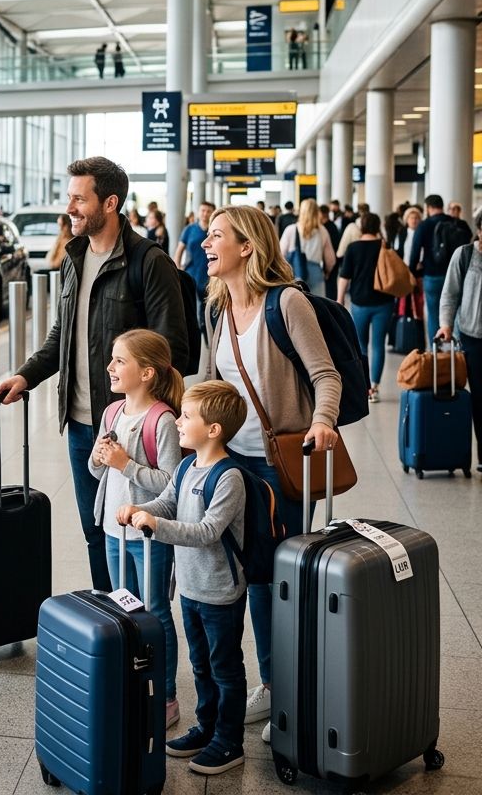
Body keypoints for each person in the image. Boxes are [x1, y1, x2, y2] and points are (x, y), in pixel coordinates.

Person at [0, 156, 190, 591]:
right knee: (97, 530)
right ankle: (111, 623)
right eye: (70, 198)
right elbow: (62, 335)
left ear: (110, 203)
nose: (71, 207)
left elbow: (170, 348)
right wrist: (26, 375)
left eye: (80, 199)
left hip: (135, 426)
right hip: (86, 425)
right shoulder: (74, 257)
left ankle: (143, 628)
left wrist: (140, 412)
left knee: (141, 531)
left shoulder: (149, 261)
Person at [200, 204, 341, 740]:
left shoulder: (287, 304)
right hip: (231, 466)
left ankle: (295, 690)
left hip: (283, 464)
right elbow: (213, 386)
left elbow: (325, 377)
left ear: (248, 248)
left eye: (217, 236)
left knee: (285, 580)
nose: (207, 244)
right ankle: (271, 683)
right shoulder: (219, 309)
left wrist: (322, 423)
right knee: (248, 578)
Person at [124, 380, 251, 776]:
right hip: (193, 589)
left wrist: (156, 525)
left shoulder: (229, 477)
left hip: (220, 592)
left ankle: (229, 741)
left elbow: (206, 532)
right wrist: (139, 508)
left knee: (225, 668)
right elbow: (168, 502)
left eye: (187, 417)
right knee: (200, 664)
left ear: (213, 429)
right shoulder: (186, 465)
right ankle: (207, 727)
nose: (178, 421)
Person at [89, 330, 183, 728]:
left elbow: (172, 483)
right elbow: (98, 472)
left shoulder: (161, 419)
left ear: (146, 373)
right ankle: (133, 681)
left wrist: (124, 463)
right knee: (123, 607)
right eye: (112, 359)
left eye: (120, 361)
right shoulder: (112, 413)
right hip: (115, 531)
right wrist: (100, 458)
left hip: (149, 532)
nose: (110, 367)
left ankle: (165, 696)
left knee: (156, 611)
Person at [438, 208, 482, 473]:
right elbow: (450, 294)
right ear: (479, 230)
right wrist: (446, 324)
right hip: (473, 336)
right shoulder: (464, 255)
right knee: (479, 397)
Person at [337, 212, 393, 404]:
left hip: (360, 303)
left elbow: (345, 276)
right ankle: (375, 387)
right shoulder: (385, 246)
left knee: (361, 345)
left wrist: (339, 299)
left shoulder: (353, 248)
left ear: (361, 227)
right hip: (384, 302)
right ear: (378, 227)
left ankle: (364, 386)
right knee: (378, 344)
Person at [409, 194, 466, 340]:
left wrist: (413, 273)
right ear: (442, 206)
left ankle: (437, 352)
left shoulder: (424, 225)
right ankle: (457, 351)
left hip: (432, 275)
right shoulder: (455, 223)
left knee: (434, 314)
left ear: (428, 208)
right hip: (455, 276)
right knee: (456, 311)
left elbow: (415, 252)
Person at [279, 198, 336, 297]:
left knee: (296, 308)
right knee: (317, 309)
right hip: (316, 273)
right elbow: (331, 260)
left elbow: (280, 255)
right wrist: (326, 273)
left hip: (295, 274)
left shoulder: (291, 230)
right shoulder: (322, 231)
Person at [177, 201, 214, 332]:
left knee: (207, 308)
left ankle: (206, 332)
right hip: (191, 273)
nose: (205, 214)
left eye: (208, 211)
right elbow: (180, 249)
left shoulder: (214, 231)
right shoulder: (190, 229)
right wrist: (177, 268)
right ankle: (193, 331)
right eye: (203, 210)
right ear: (199, 212)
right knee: (190, 306)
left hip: (209, 275)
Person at [319, 204, 341, 300]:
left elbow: (334, 246)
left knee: (330, 288)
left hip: (331, 262)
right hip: (327, 261)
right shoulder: (326, 227)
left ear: (323, 214)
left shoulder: (329, 227)